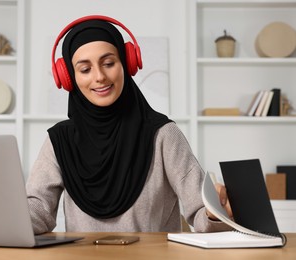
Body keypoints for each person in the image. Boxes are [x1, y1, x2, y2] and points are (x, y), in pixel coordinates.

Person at [26, 15, 232, 234]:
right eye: (85, 69)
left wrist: (215, 213)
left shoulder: (163, 134)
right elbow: (38, 210)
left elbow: (201, 213)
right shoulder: (59, 140)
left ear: (126, 63)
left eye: (108, 63)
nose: (100, 77)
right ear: (69, 77)